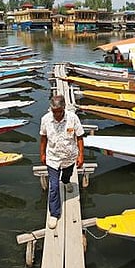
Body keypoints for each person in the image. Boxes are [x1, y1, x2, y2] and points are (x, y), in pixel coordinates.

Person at [40, 95, 84, 229]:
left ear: (64, 108)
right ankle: (54, 213)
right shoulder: (45, 120)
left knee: (66, 175)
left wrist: (81, 155)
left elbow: (80, 137)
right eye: (54, 111)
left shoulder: (73, 118)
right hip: (53, 158)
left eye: (59, 111)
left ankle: (66, 181)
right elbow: (43, 138)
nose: (57, 114)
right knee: (53, 186)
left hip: (69, 156)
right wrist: (42, 154)